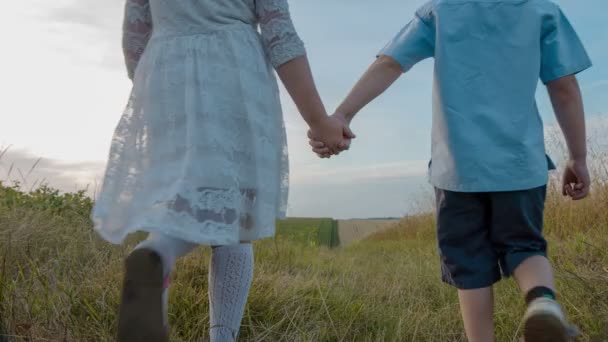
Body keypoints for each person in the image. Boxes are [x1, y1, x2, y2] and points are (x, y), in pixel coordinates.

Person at [309, 1, 591, 341]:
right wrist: (577, 157)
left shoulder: (442, 10)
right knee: (525, 247)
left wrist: (342, 115)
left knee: (469, 265)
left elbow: (390, 64)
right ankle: (543, 303)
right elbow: (564, 89)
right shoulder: (541, 10)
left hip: (457, 170)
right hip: (519, 167)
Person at [91, 0, 353, 341]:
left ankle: (156, 253)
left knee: (179, 203)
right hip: (233, 69)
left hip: (165, 75)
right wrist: (319, 121)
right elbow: (280, 34)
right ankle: (222, 337)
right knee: (237, 218)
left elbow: (135, 36)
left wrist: (159, 86)